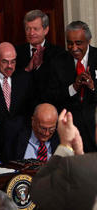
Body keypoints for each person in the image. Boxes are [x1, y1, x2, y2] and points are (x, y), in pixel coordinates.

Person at [30, 109, 97, 210]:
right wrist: (79, 154)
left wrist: (65, 146)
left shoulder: (72, 166)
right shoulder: (82, 165)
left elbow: (37, 193)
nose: (46, 133)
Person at [47, 21, 97, 153]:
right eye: (69, 43)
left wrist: (92, 88)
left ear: (88, 40)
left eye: (78, 43)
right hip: (70, 131)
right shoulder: (58, 62)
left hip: (94, 130)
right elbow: (51, 97)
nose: (73, 48)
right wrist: (73, 88)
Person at [0, 42, 34, 163]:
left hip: (19, 143)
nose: (9, 66)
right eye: (5, 61)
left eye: (13, 62)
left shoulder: (24, 78)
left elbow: (29, 109)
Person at [15, 9, 64, 105]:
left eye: (35, 29)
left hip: (49, 109)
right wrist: (27, 69)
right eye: (28, 29)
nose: (31, 33)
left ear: (46, 30)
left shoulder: (59, 54)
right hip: (24, 110)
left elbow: (58, 88)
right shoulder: (16, 52)